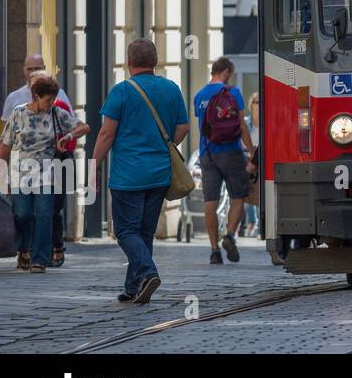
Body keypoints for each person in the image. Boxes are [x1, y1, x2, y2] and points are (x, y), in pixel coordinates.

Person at [92, 39, 189, 305]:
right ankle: (133, 287)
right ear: (155, 61)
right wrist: (164, 145)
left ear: (129, 62)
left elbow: (106, 133)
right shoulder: (171, 89)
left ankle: (147, 272)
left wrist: (94, 165)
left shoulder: (122, 91)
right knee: (144, 233)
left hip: (128, 175)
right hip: (159, 173)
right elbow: (183, 127)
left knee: (125, 232)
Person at [0, 76, 87, 273]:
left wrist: (69, 135)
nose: (51, 103)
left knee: (44, 215)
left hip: (47, 174)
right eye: (47, 100)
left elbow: (84, 127)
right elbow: (5, 143)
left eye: (53, 99)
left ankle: (40, 259)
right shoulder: (18, 113)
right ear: (36, 96)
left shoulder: (57, 113)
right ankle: (24, 250)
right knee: (22, 214)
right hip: (21, 174)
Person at [193, 58, 256, 263]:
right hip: (231, 152)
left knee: (210, 201)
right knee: (238, 196)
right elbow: (242, 126)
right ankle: (229, 235)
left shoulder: (199, 96)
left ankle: (213, 251)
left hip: (207, 154)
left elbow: (202, 126)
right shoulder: (233, 93)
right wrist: (252, 150)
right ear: (227, 71)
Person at [242, 92, 260, 237]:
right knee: (248, 194)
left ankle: (259, 225)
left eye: (260, 102)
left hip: (261, 161)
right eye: (256, 102)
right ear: (251, 105)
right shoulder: (246, 123)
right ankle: (252, 222)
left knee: (261, 194)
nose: (258, 105)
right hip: (248, 160)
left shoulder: (266, 122)